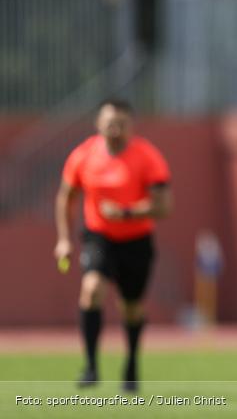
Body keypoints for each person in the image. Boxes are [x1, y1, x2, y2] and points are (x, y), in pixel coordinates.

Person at [54, 99, 173, 391]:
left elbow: (164, 207)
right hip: (99, 236)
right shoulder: (83, 155)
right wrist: (64, 239)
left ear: (131, 126)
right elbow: (65, 198)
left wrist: (127, 213)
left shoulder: (147, 157)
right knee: (92, 289)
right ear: (98, 124)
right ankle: (91, 366)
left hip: (136, 240)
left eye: (121, 124)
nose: (114, 129)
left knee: (131, 308)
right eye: (109, 123)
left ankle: (131, 362)